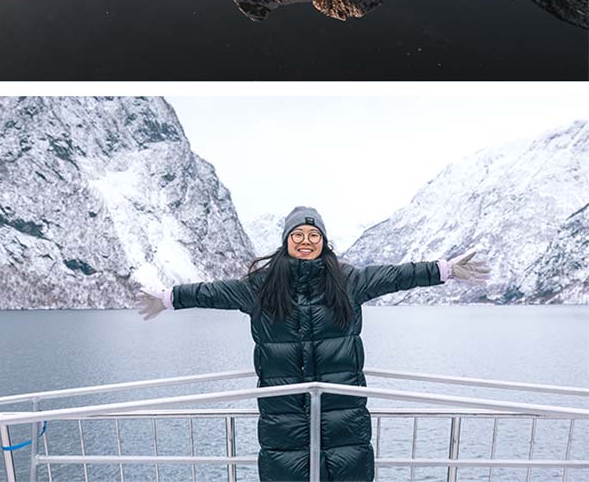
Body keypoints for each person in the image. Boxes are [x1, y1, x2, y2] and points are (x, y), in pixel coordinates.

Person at [137, 205, 488, 482]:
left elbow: (397, 275)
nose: (306, 241)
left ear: (323, 240)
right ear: (286, 240)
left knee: (347, 471)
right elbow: (212, 293)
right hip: (284, 412)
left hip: (343, 409)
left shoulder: (348, 280)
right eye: (298, 234)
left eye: (313, 234)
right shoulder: (260, 286)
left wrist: (444, 270)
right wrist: (168, 298)